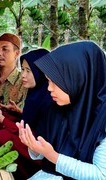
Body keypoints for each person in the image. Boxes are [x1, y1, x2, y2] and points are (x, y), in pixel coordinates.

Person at [17, 41, 106, 179]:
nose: (49, 88)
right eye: (48, 81)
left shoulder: (102, 119)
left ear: (78, 78)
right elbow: (46, 149)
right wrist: (35, 147)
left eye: (55, 82)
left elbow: (101, 175)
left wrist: (55, 157)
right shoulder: (57, 108)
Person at [0, 48, 51, 179]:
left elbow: (33, 132)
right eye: (23, 69)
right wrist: (10, 112)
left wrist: (3, 119)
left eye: (28, 71)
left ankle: (19, 174)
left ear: (41, 72)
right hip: (29, 136)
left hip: (38, 150)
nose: (23, 75)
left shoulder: (49, 99)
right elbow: (28, 120)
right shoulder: (36, 93)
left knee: (3, 135)